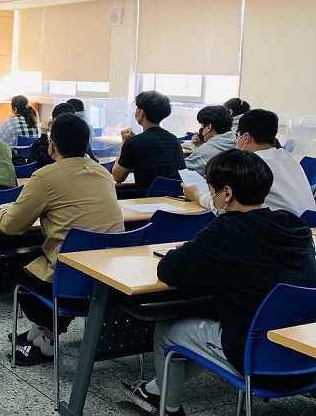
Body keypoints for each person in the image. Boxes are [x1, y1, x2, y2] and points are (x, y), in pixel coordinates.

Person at [122, 150, 316, 416]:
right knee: (215, 319)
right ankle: (155, 389)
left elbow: (169, 271)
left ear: (227, 193)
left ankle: (166, 406)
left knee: (168, 329)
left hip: (260, 363)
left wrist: (192, 249)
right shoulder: (296, 227)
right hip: (306, 356)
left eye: (211, 190)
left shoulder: (224, 231)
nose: (210, 197)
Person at [0, 113, 124, 366]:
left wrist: (4, 211)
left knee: (17, 265)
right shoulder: (103, 173)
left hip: (71, 280)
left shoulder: (45, 176)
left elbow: (12, 226)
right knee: (62, 258)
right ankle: (40, 332)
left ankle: (47, 341)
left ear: (52, 146)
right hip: (109, 275)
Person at [183, 109, 315, 217]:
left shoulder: (249, 164)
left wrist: (196, 195)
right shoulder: (288, 157)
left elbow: (222, 205)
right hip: (306, 227)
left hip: (274, 228)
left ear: (245, 138)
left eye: (237, 136)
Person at [113, 91, 185, 197]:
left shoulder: (133, 143)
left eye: (137, 108)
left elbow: (117, 177)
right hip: (176, 199)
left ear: (141, 113)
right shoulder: (173, 140)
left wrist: (124, 142)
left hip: (147, 200)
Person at [28, 103, 96, 169]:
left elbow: (33, 163)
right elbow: (93, 161)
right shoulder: (81, 139)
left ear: (53, 122)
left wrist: (44, 135)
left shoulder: (53, 144)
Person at [183, 105, 236, 175]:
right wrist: (202, 146)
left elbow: (182, 169)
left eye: (202, 126)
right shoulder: (237, 142)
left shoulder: (205, 151)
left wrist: (203, 148)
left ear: (209, 127)